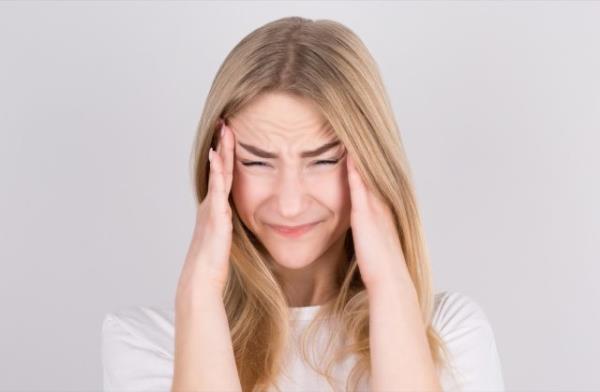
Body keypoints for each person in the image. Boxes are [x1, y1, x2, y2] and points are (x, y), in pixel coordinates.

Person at [102, 16, 505, 392]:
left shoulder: (449, 333)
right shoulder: (147, 341)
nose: (290, 204)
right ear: (218, 166)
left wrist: (389, 284)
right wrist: (200, 289)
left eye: (324, 160)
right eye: (257, 161)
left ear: (373, 162)